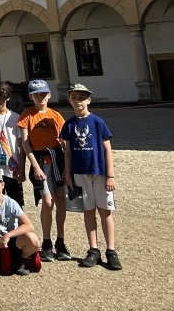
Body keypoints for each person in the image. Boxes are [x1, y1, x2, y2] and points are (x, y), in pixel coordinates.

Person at [60, 83, 121, 271]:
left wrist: (110, 175)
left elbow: (107, 149)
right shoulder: (69, 124)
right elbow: (67, 152)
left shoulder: (97, 122)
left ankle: (111, 250)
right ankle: (93, 249)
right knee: (88, 211)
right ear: (69, 100)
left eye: (82, 97)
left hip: (99, 172)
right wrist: (67, 174)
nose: (78, 101)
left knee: (105, 211)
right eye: (74, 97)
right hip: (80, 173)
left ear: (89, 100)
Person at [18, 78, 71, 262]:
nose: (40, 97)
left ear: (49, 95)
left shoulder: (56, 115)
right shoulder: (27, 115)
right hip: (40, 161)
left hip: (57, 160)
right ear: (31, 97)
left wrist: (67, 168)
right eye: (36, 94)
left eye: (43, 94)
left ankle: (61, 241)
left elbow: (64, 143)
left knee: (61, 200)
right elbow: (25, 143)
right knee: (47, 201)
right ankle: (47, 241)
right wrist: (33, 165)